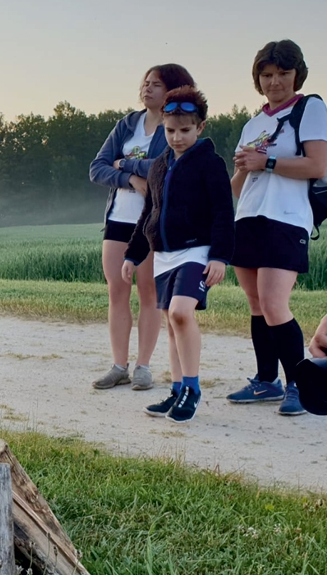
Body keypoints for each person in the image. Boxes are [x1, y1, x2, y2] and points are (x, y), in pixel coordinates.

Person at [123, 87, 235, 423]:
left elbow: (223, 212)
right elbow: (148, 214)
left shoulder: (210, 164)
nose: (177, 137)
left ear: (200, 128)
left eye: (185, 130)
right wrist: (133, 254)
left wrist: (220, 256)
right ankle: (175, 390)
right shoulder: (158, 167)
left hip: (197, 251)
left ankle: (192, 388)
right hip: (164, 256)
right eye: (170, 131)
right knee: (172, 322)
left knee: (182, 313)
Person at [228, 40, 327, 415]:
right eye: (267, 75)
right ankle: (265, 381)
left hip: (286, 217)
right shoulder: (253, 123)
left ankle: (299, 386)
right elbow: (239, 184)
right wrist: (240, 169)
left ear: (296, 74)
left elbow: (318, 165)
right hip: (248, 217)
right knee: (256, 305)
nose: (275, 82)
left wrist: (265, 162)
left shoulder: (310, 108)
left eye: (283, 73)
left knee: (273, 303)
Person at [89, 64, 196, 391]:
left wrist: (126, 163)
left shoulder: (174, 127)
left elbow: (166, 165)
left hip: (152, 221)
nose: (147, 89)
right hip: (118, 220)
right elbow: (97, 168)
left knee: (149, 294)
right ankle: (119, 365)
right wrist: (130, 178)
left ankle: (143, 367)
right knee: (116, 292)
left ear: (173, 91)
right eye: (145, 83)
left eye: (156, 84)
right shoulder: (127, 124)